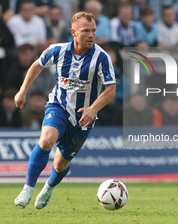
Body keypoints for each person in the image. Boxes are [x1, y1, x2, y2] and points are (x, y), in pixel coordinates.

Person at [14, 11, 116, 209]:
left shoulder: (102, 57)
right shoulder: (57, 50)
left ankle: (49, 187)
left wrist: (93, 109)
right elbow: (37, 64)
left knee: (61, 165)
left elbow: (111, 89)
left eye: (93, 30)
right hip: (58, 106)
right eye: (85, 30)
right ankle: (27, 189)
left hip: (83, 118)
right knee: (46, 140)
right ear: (73, 32)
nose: (91, 35)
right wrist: (22, 90)